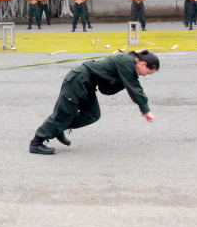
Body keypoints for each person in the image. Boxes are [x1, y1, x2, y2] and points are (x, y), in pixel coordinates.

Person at [29, 50, 159, 155]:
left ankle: (58, 128)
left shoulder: (128, 63)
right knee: (64, 114)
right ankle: (36, 143)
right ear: (143, 64)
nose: (144, 75)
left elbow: (107, 89)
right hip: (78, 80)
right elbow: (134, 88)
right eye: (148, 73)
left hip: (88, 84)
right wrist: (145, 110)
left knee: (92, 115)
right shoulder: (127, 62)